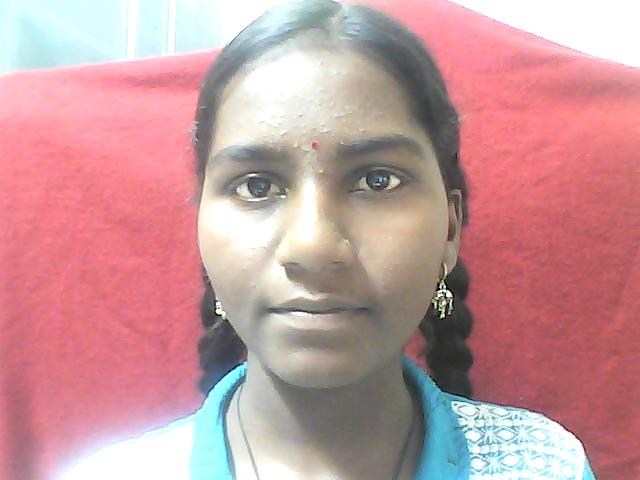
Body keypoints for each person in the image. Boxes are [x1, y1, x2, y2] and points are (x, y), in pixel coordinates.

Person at [61, 0, 596, 478]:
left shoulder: (543, 466)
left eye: (378, 181)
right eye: (256, 186)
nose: (312, 247)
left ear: (450, 230)